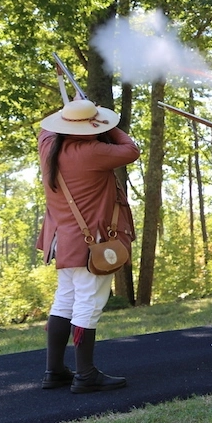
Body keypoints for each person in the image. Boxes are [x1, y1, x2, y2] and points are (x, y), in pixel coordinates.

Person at [37, 99, 140, 392]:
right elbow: (131, 149)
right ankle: (85, 374)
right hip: (90, 241)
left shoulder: (48, 145)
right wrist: (108, 125)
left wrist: (77, 112)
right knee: (88, 304)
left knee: (64, 301)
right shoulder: (93, 151)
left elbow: (47, 128)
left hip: (63, 240)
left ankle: (55, 371)